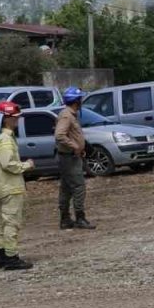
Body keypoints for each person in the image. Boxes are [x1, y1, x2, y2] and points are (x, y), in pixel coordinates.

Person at [0, 102, 35, 270]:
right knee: (11, 223)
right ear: (6, 119)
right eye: (15, 118)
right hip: (10, 187)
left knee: (1, 221)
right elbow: (8, 163)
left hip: (1, 187)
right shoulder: (6, 140)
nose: (17, 120)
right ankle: (11, 257)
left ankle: (0, 255)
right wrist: (26, 165)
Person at [54, 87, 95, 230]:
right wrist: (75, 147)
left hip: (70, 157)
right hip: (69, 158)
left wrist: (81, 148)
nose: (81, 101)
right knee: (79, 187)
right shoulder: (67, 115)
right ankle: (80, 218)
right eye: (80, 99)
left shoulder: (71, 114)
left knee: (66, 189)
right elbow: (60, 135)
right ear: (76, 100)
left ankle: (65, 219)